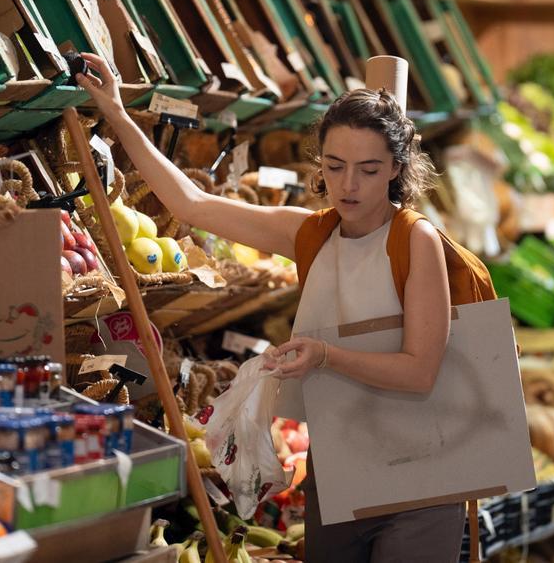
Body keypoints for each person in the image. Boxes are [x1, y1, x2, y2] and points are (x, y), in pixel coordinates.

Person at [76, 52, 465, 561]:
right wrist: (119, 114)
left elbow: (421, 372)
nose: (349, 185)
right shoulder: (310, 233)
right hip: (341, 469)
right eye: (335, 166)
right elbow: (192, 204)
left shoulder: (416, 241)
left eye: (369, 170)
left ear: (395, 167)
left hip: (421, 475)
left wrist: (325, 356)